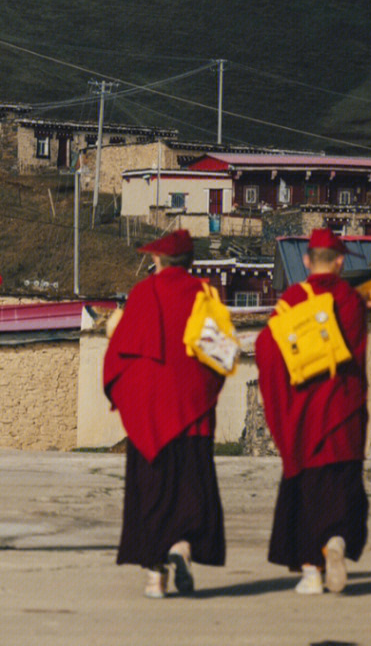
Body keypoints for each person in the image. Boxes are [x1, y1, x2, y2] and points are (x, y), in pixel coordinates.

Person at [102, 228, 227, 599]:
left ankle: (155, 579)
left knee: (151, 493)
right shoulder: (206, 296)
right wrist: (204, 395)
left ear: (157, 260)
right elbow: (221, 358)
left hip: (148, 416)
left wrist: (125, 397)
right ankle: (181, 547)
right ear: (191, 262)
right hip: (192, 413)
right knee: (190, 490)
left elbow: (118, 359)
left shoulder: (142, 294)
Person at [255, 226, 369, 595]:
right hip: (344, 412)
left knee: (306, 492)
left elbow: (267, 349)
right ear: (339, 262)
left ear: (306, 261)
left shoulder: (292, 299)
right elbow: (358, 356)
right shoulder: (351, 301)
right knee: (344, 485)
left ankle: (311, 573)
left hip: (305, 414)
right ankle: (337, 540)